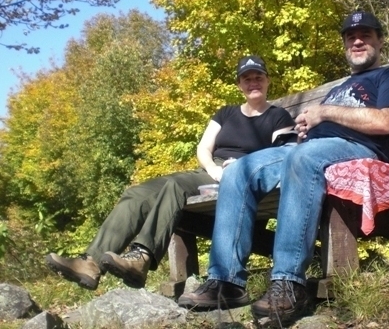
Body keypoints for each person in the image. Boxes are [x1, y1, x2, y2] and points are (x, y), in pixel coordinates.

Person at [177, 11, 389, 325]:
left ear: (379, 41)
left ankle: (289, 282)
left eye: (366, 35)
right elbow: (319, 126)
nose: (357, 41)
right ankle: (227, 282)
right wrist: (306, 128)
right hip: (310, 148)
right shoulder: (340, 88)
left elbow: (385, 121)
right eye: (350, 37)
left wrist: (325, 113)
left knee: (301, 157)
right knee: (237, 171)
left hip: (360, 151)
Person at [45, 55, 295, 290]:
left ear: (267, 81)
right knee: (137, 194)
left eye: (258, 77)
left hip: (244, 177)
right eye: (247, 78)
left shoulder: (277, 116)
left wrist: (241, 167)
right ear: (239, 84)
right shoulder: (226, 113)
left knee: (174, 188)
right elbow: (204, 148)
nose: (253, 83)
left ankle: (141, 257)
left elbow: (280, 154)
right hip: (212, 172)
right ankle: (91, 262)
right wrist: (213, 169)